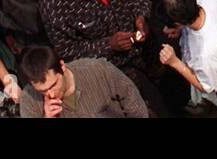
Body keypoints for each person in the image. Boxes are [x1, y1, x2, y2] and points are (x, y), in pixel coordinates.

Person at [17, 45, 147, 117]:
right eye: (42, 91)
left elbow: (133, 103)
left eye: (53, 85)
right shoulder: (29, 101)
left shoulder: (98, 70)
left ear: (62, 67)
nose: (50, 94)